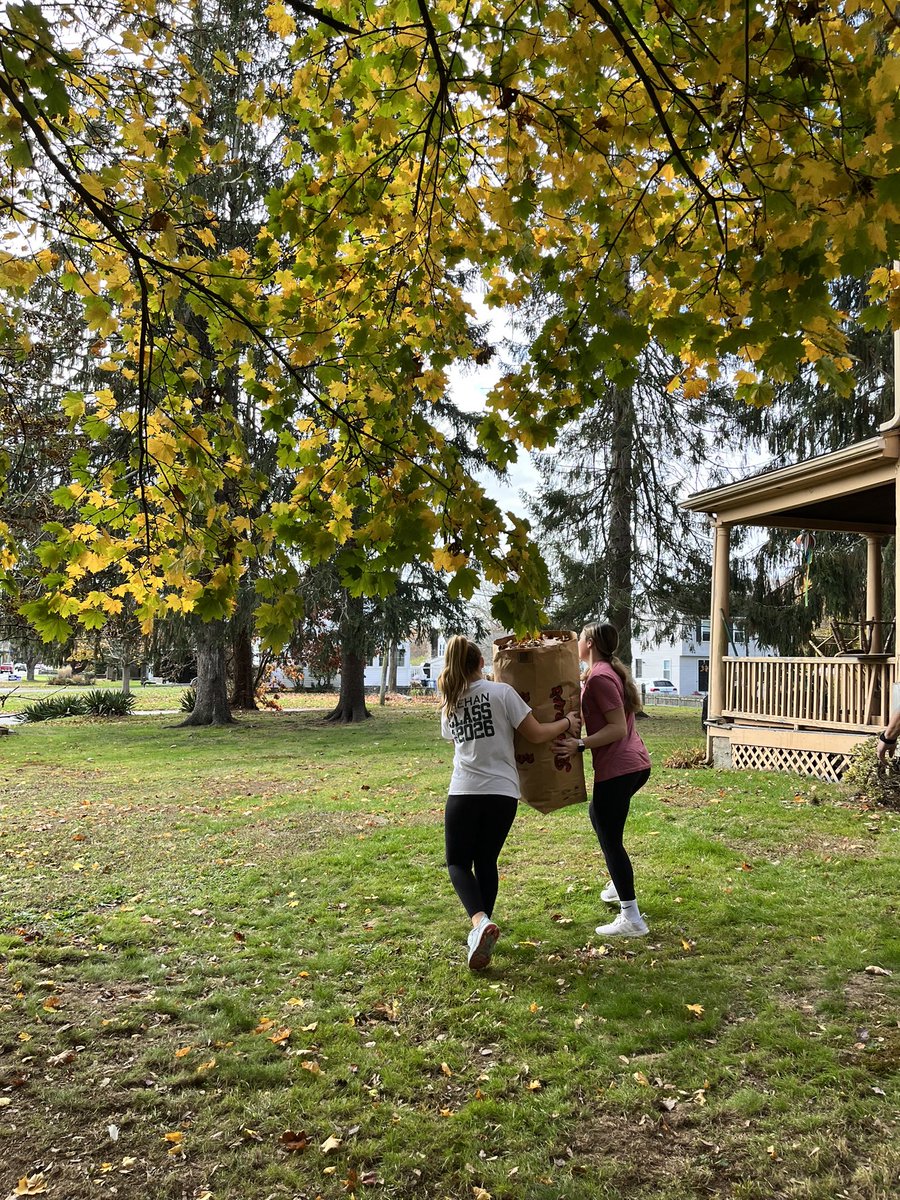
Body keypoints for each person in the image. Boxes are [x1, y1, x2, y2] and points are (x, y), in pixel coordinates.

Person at [438, 635, 580, 970]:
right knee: (486, 859)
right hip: (502, 793)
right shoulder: (502, 693)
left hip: (463, 791)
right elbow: (536, 733)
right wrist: (568, 723)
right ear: (480, 664)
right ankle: (482, 934)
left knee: (458, 863)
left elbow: (453, 740)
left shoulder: (450, 703)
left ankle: (479, 923)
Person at [556, 622, 651, 938]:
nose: (577, 642)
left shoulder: (599, 677)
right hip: (629, 765)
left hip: (620, 767)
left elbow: (616, 729)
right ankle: (616, 882)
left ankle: (632, 918)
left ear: (591, 642)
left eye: (580, 638)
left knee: (609, 836)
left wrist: (580, 744)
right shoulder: (601, 672)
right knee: (601, 820)